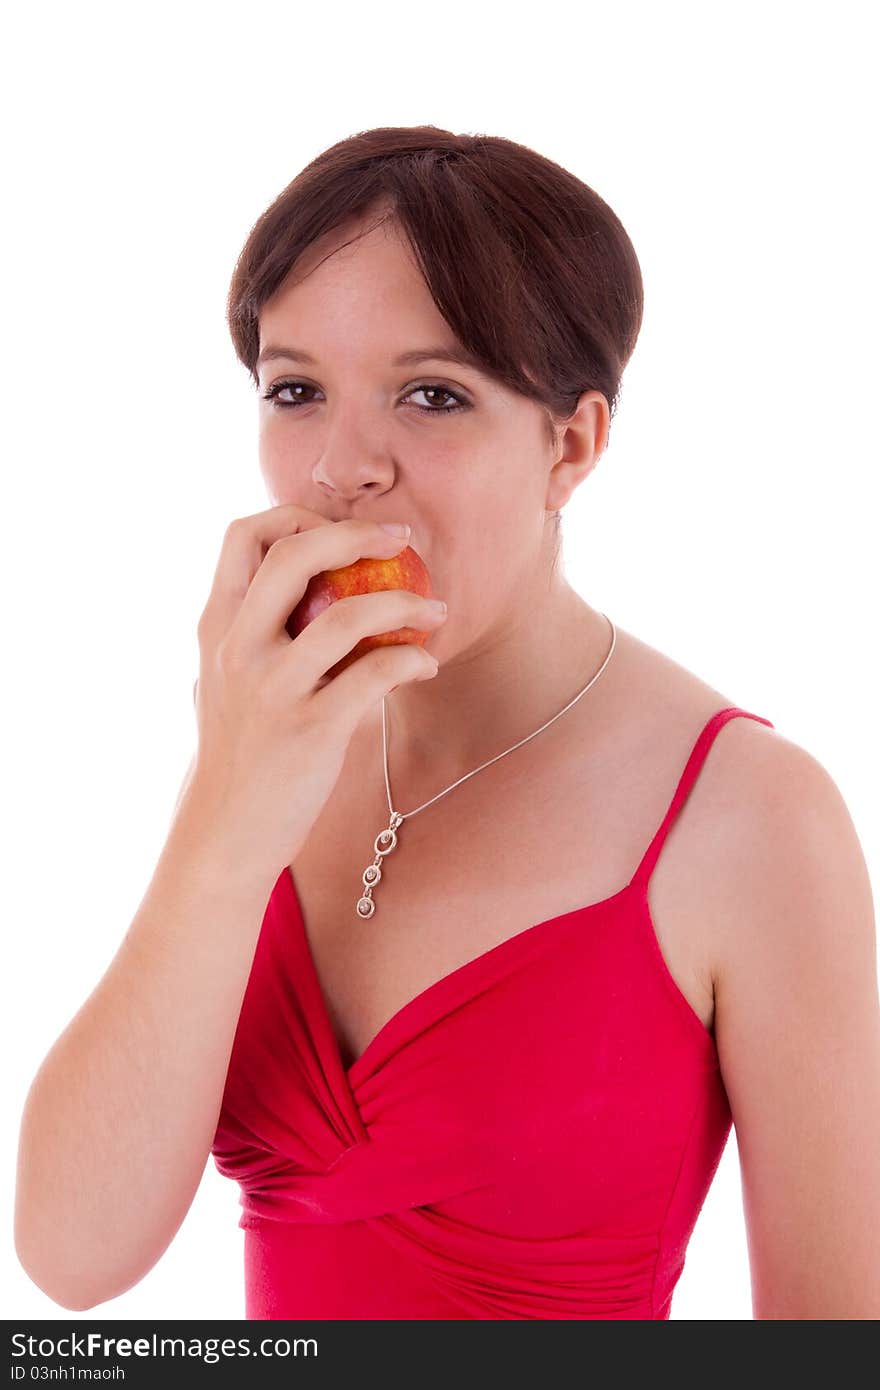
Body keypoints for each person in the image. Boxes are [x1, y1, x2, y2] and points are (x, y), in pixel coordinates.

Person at [15, 127, 880, 1320]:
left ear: (568, 444)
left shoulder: (756, 817)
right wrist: (229, 797)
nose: (341, 467)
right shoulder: (268, 745)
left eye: (432, 395)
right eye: (295, 390)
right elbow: (70, 1257)